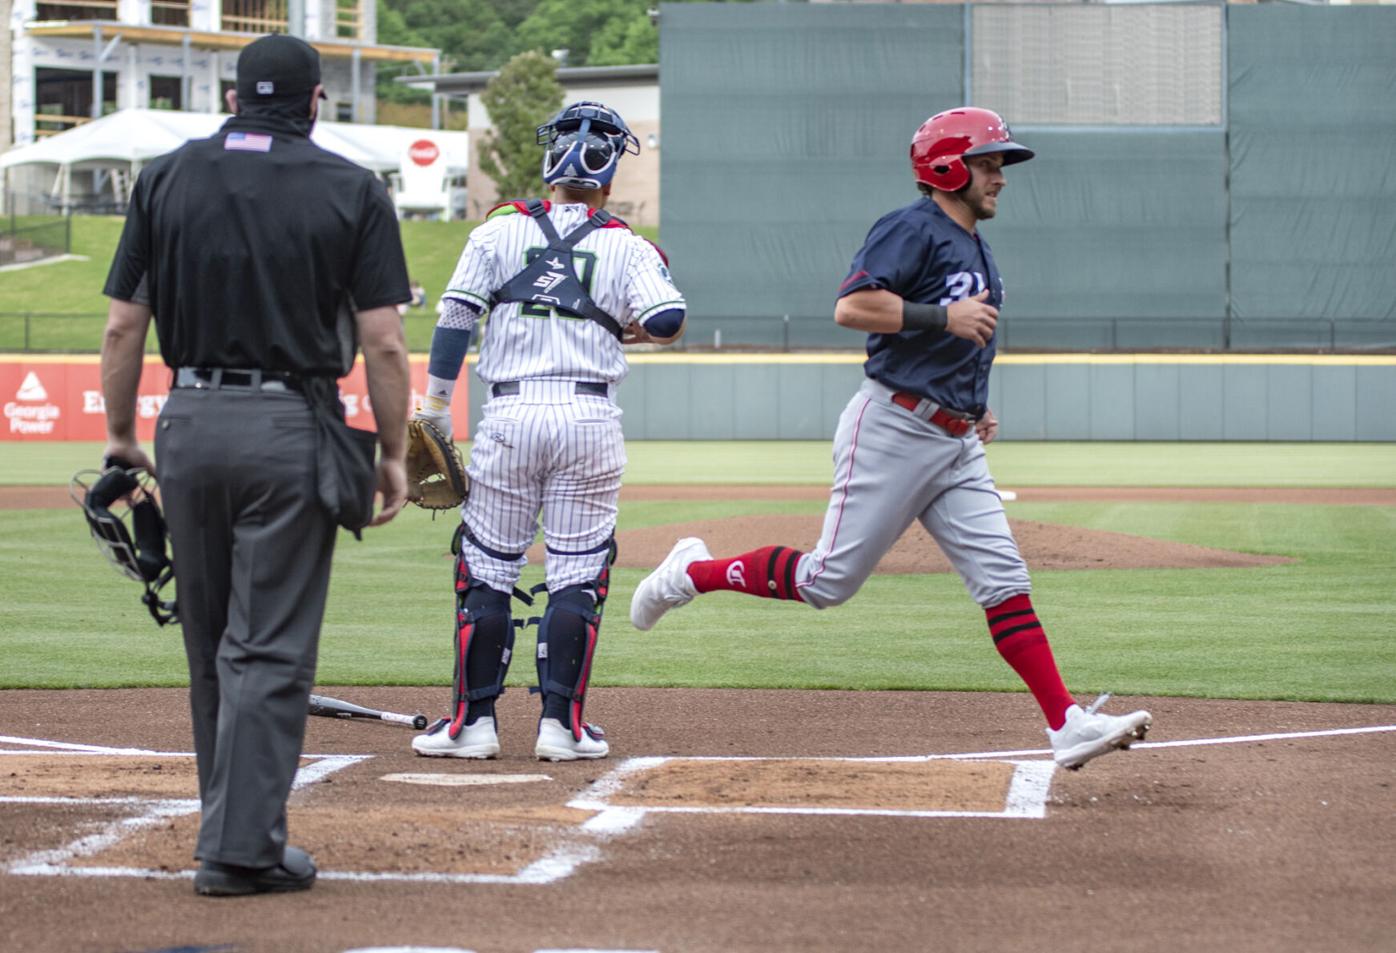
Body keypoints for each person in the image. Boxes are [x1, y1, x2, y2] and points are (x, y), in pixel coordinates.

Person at [630, 107, 1152, 771]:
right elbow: (852, 306)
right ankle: (689, 573)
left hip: (954, 439)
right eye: (989, 162)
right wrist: (942, 315)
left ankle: (1066, 722)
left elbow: (959, 338)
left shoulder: (976, 245)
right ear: (947, 167)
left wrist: (974, 403)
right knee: (828, 581)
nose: (1000, 177)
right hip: (894, 428)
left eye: (999, 164)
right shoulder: (912, 227)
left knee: (1004, 580)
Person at [100, 34, 412, 895]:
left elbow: (125, 326)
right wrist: (391, 452)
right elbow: (382, 342)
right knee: (267, 649)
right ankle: (240, 851)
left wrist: (124, 438)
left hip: (188, 421)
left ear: (233, 100)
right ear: (317, 103)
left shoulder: (164, 176)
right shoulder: (352, 186)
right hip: (289, 424)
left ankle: (231, 827)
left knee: (209, 644)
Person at [410, 100, 686, 763]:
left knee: (486, 568)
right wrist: (624, 325)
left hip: (509, 415)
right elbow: (670, 316)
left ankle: (471, 725)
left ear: (547, 163)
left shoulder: (497, 232)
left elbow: (454, 318)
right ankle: (561, 728)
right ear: (611, 176)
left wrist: (437, 407)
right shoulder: (626, 242)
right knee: (577, 573)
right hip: (590, 417)